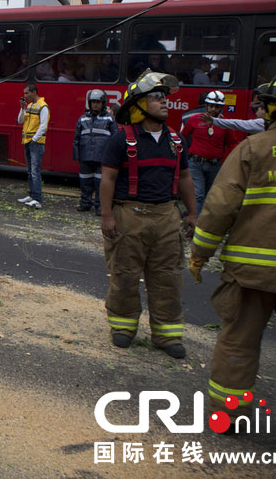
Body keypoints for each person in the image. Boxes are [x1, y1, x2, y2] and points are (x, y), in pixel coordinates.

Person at [189, 69, 276, 449]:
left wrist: (199, 255)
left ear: (273, 107)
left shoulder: (253, 148)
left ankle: (228, 417)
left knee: (238, 344)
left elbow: (219, 208)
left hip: (251, 275)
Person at [100, 69, 197, 359]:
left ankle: (167, 334)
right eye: (156, 97)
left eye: (164, 96)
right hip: (129, 215)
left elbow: (185, 178)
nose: (164, 101)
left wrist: (193, 213)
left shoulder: (176, 140)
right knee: (125, 274)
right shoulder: (121, 140)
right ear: (139, 105)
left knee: (168, 277)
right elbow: (107, 179)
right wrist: (107, 217)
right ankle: (123, 327)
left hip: (167, 217)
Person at [180, 90, 235, 214]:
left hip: (215, 165)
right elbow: (183, 138)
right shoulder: (194, 119)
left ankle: (203, 220)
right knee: (198, 195)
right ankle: (196, 222)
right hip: (195, 163)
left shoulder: (225, 124)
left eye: (217, 107)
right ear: (206, 105)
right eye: (211, 106)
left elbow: (232, 143)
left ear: (221, 108)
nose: (213, 109)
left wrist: (234, 161)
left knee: (210, 196)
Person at [73, 89, 116, 215]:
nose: (95, 105)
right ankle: (85, 204)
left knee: (100, 184)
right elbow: (76, 138)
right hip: (86, 156)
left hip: (102, 157)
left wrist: (112, 157)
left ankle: (100, 206)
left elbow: (115, 139)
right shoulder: (82, 119)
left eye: (98, 102)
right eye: (93, 102)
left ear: (103, 103)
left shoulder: (110, 118)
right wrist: (77, 155)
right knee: (85, 182)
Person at [17, 83, 49, 209]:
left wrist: (34, 139)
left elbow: (43, 126)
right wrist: (22, 108)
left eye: (27, 93)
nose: (25, 96)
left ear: (34, 92)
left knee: (35, 172)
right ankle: (31, 195)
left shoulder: (43, 107)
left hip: (35, 143)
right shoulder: (29, 106)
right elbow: (20, 120)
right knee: (30, 171)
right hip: (27, 142)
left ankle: (37, 199)